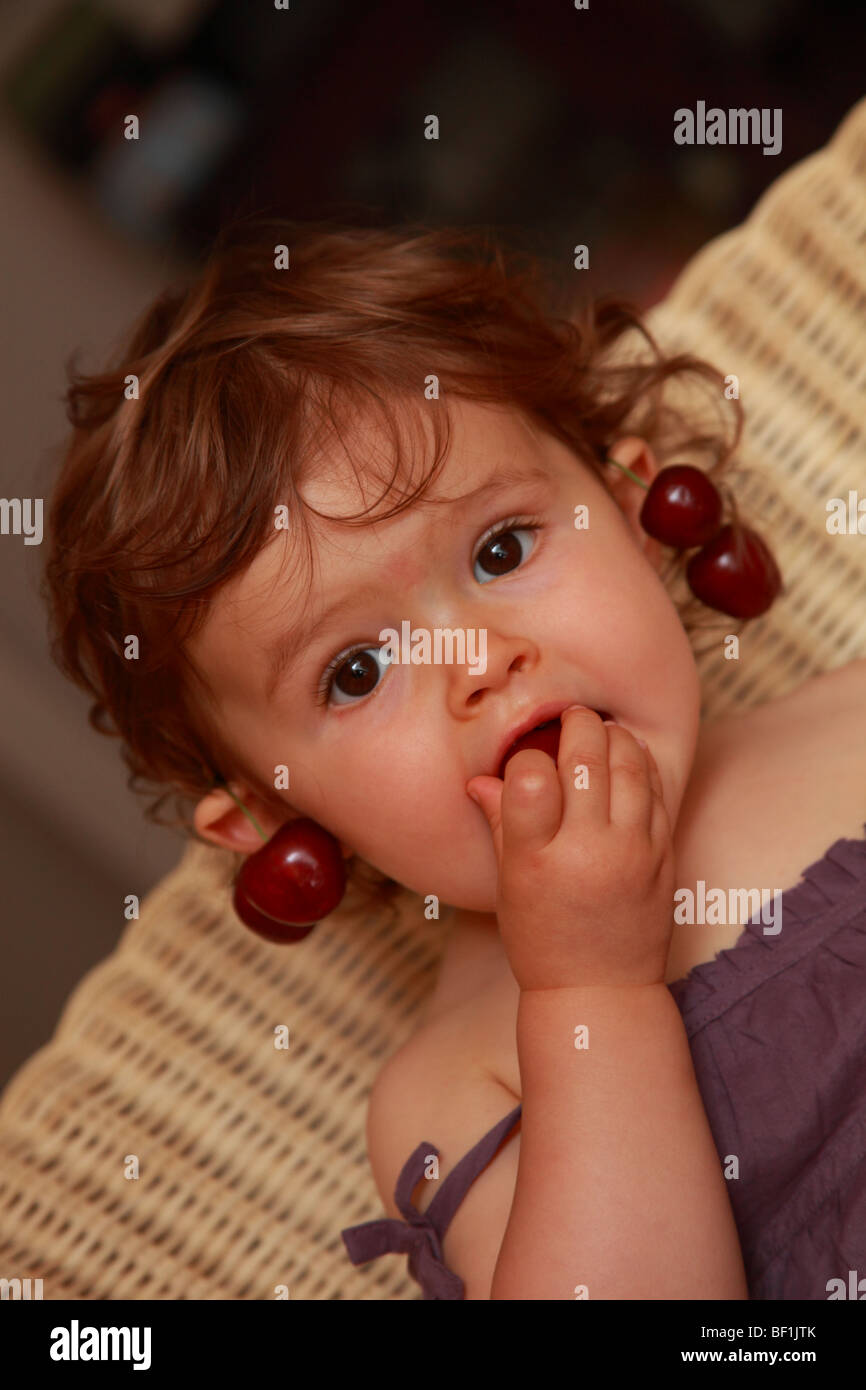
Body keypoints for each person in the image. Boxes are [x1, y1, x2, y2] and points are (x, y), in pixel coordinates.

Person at [42, 218, 866, 1299]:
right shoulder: (455, 1082)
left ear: (628, 509)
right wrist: (590, 988)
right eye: (353, 669)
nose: (475, 661)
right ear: (266, 816)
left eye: (500, 548)